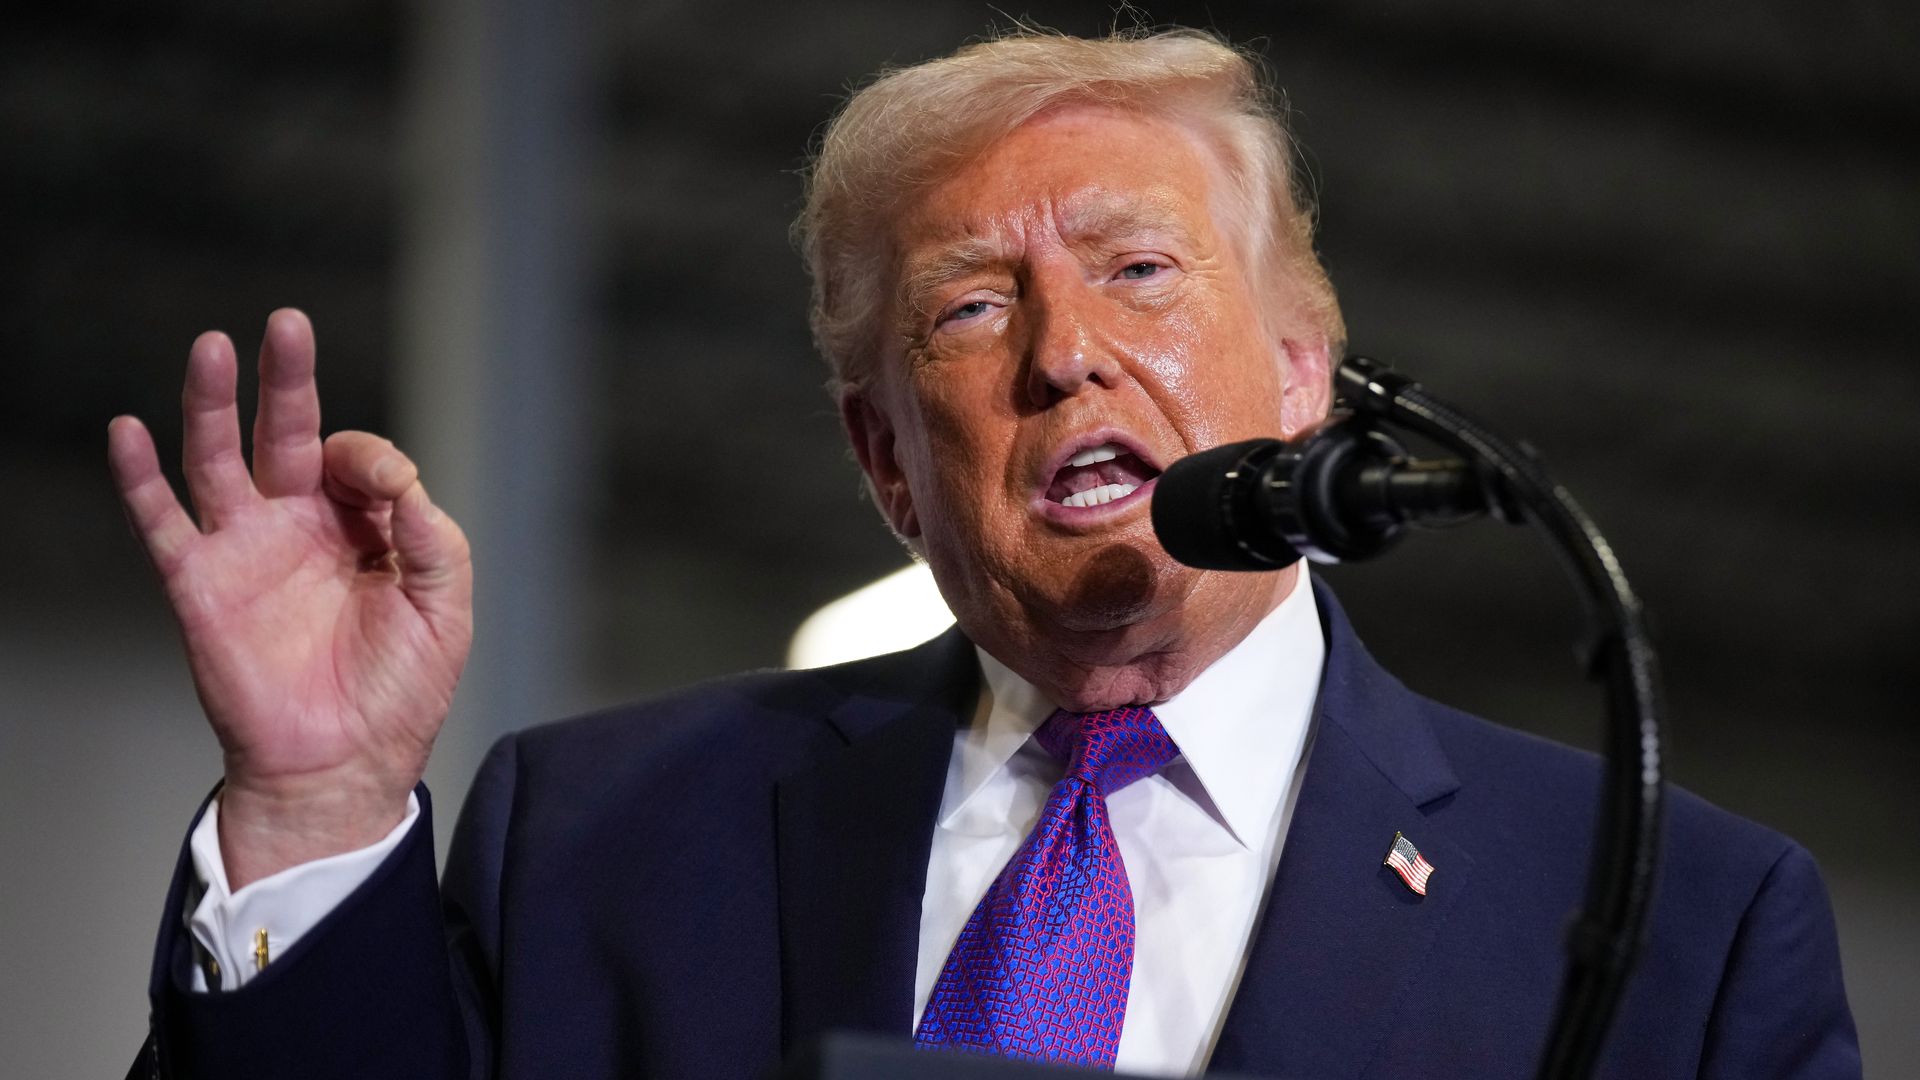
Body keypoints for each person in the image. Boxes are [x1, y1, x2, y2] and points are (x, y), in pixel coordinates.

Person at [114, 28, 1859, 1080]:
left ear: (1308, 374)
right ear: (887, 462)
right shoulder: (602, 846)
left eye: (1143, 270)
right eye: (969, 308)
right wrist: (320, 806)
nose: (1064, 351)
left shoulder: (1674, 928)